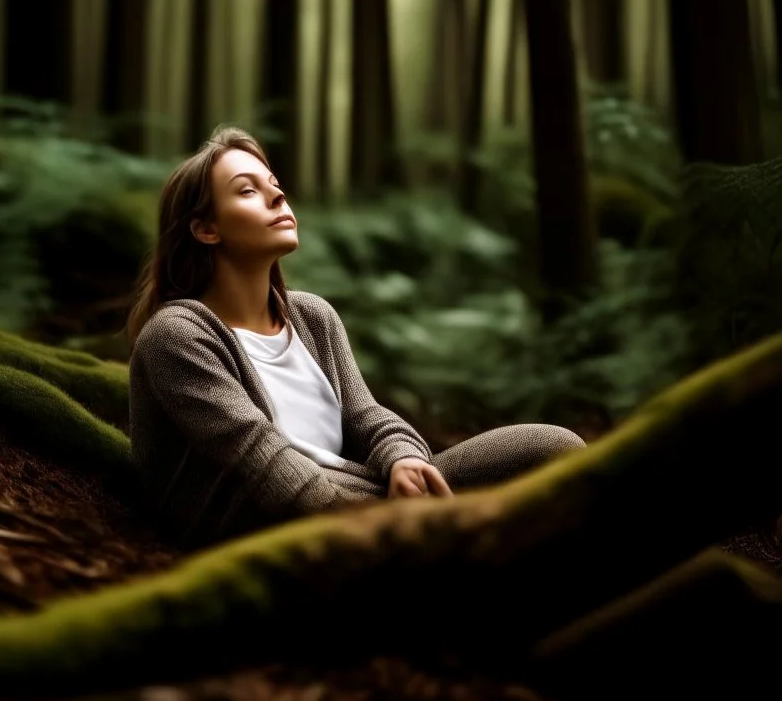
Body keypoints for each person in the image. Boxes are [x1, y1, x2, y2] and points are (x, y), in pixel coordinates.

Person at [127, 125, 585, 547]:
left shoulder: (312, 317)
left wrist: (403, 460)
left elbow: (368, 416)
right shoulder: (176, 335)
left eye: (274, 184)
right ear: (206, 229)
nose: (276, 195)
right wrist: (380, 524)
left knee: (553, 447)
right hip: (269, 528)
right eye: (248, 190)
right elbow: (259, 460)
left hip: (360, 498)